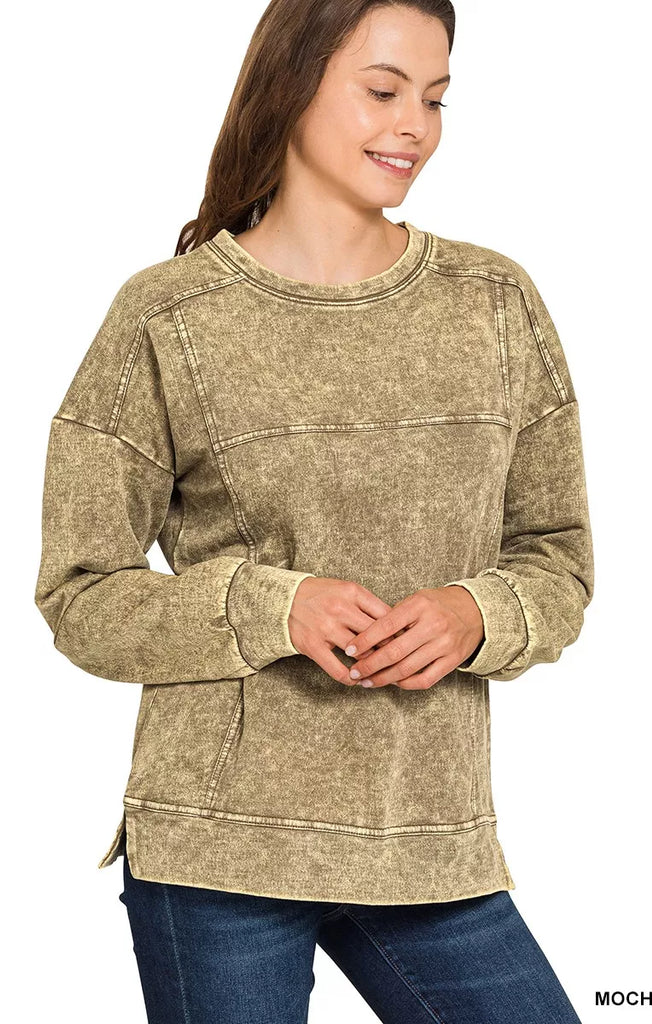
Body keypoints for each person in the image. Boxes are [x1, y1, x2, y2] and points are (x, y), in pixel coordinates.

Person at [34, 1, 594, 1021]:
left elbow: (557, 561)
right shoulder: (167, 316)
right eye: (382, 91)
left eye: (434, 99)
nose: (413, 125)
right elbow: (80, 596)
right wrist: (269, 607)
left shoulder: (493, 302)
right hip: (217, 849)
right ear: (288, 87)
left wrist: (475, 614)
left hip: (428, 841)